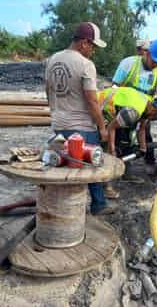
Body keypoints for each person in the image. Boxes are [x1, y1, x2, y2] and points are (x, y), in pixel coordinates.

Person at [45, 22, 117, 215]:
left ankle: (64, 208)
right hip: (82, 127)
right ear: (84, 42)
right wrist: (102, 128)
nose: (93, 50)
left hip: (59, 124)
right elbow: (93, 101)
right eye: (92, 46)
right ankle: (99, 205)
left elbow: (48, 91)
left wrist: (56, 112)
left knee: (66, 165)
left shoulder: (52, 60)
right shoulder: (86, 65)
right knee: (93, 162)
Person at [112, 39, 157, 164]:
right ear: (147, 53)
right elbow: (114, 87)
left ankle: (148, 161)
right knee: (121, 139)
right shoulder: (129, 64)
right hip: (124, 111)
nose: (155, 65)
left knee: (145, 136)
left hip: (147, 111)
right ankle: (119, 163)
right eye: (154, 61)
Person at [97, 86, 157, 156]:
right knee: (99, 144)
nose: (152, 120)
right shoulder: (134, 112)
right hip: (97, 106)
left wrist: (143, 148)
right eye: (155, 118)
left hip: (110, 109)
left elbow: (142, 129)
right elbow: (111, 128)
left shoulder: (148, 104)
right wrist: (112, 151)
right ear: (155, 110)